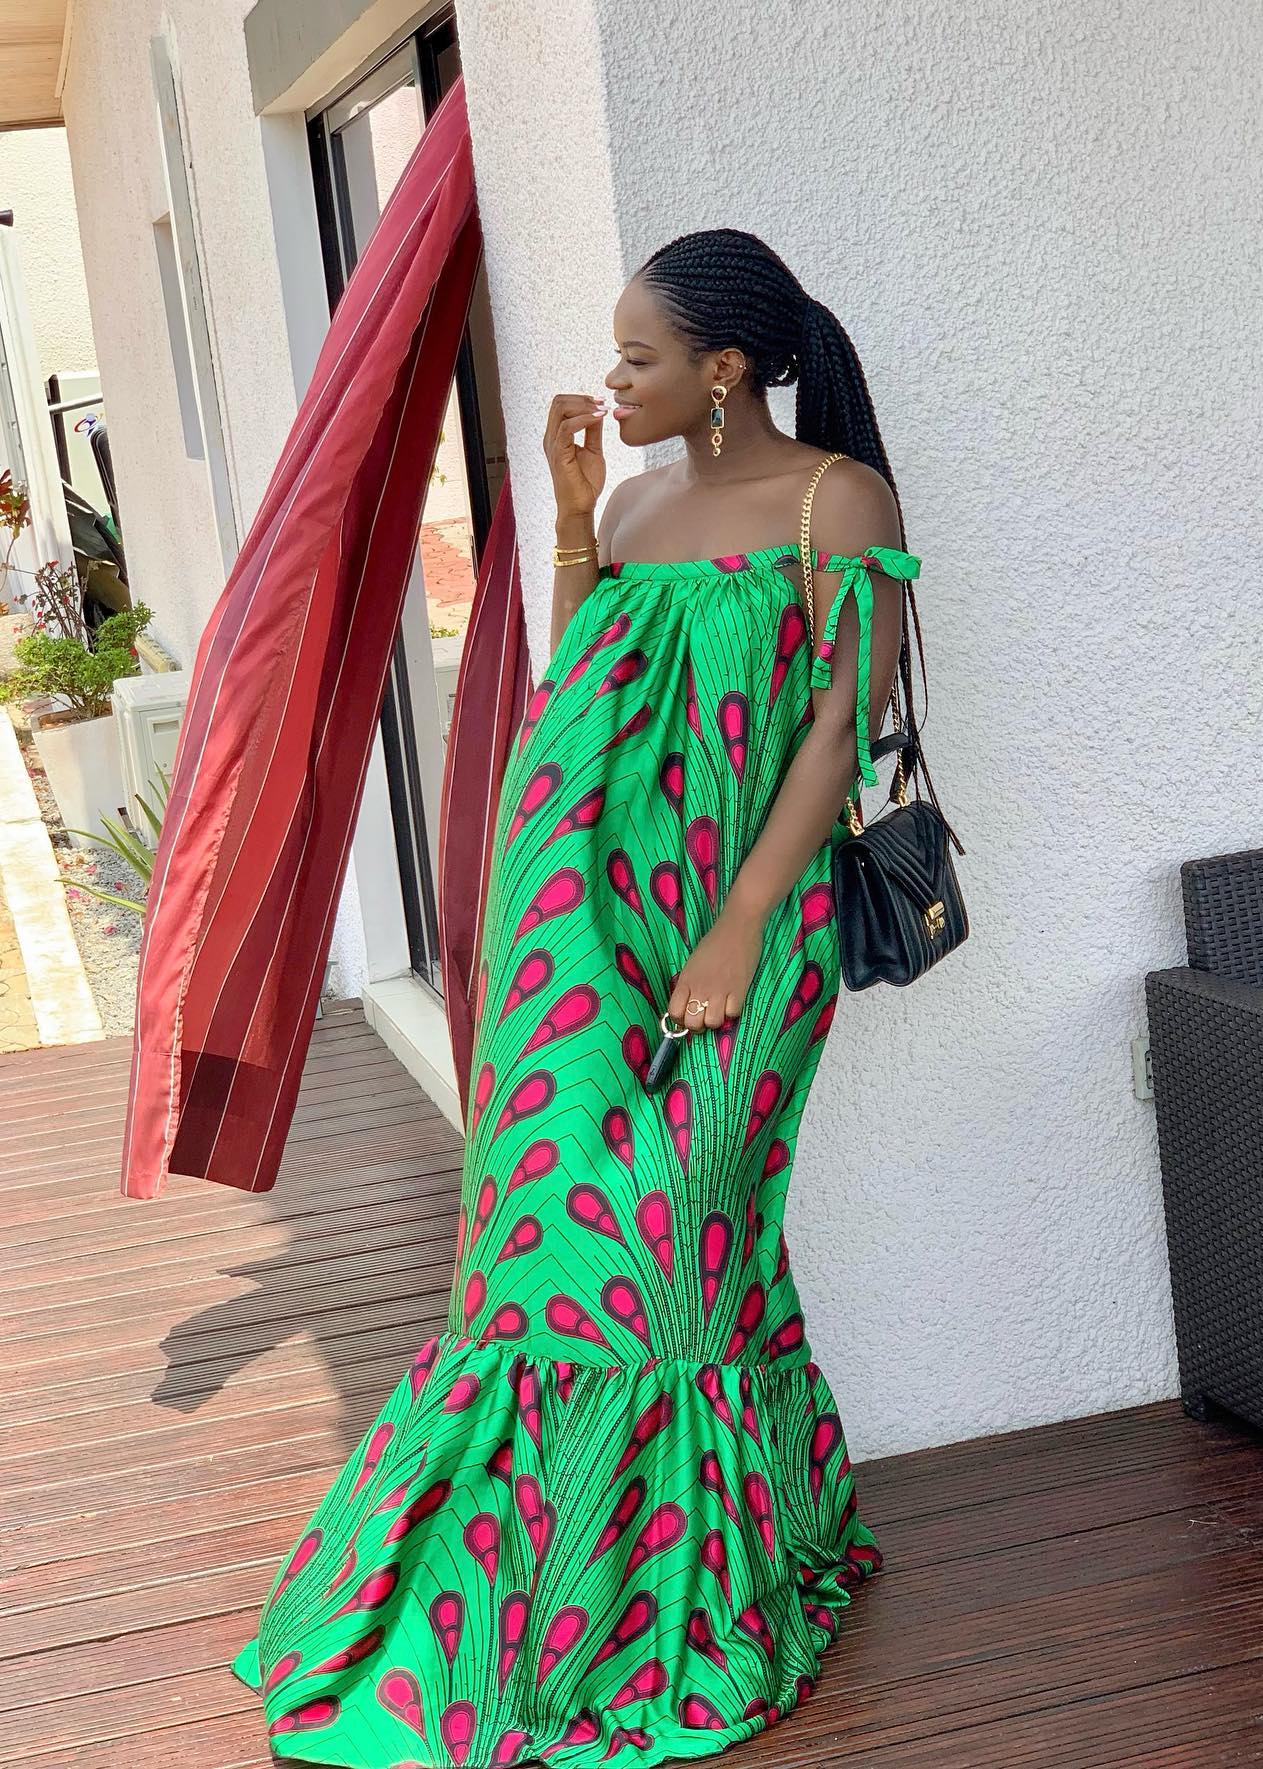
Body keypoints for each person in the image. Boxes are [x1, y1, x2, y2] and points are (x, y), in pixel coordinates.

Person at [233, 224, 921, 1767]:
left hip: (741, 927)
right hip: (576, 925)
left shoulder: (836, 501)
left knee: (683, 1242)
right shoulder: (627, 501)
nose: (613, 379)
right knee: (545, 1251)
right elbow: (586, 684)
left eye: (640, 355)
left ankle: (682, 1591)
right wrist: (562, 517)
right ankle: (513, 1602)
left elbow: (835, 733)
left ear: (725, 368)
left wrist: (738, 928)